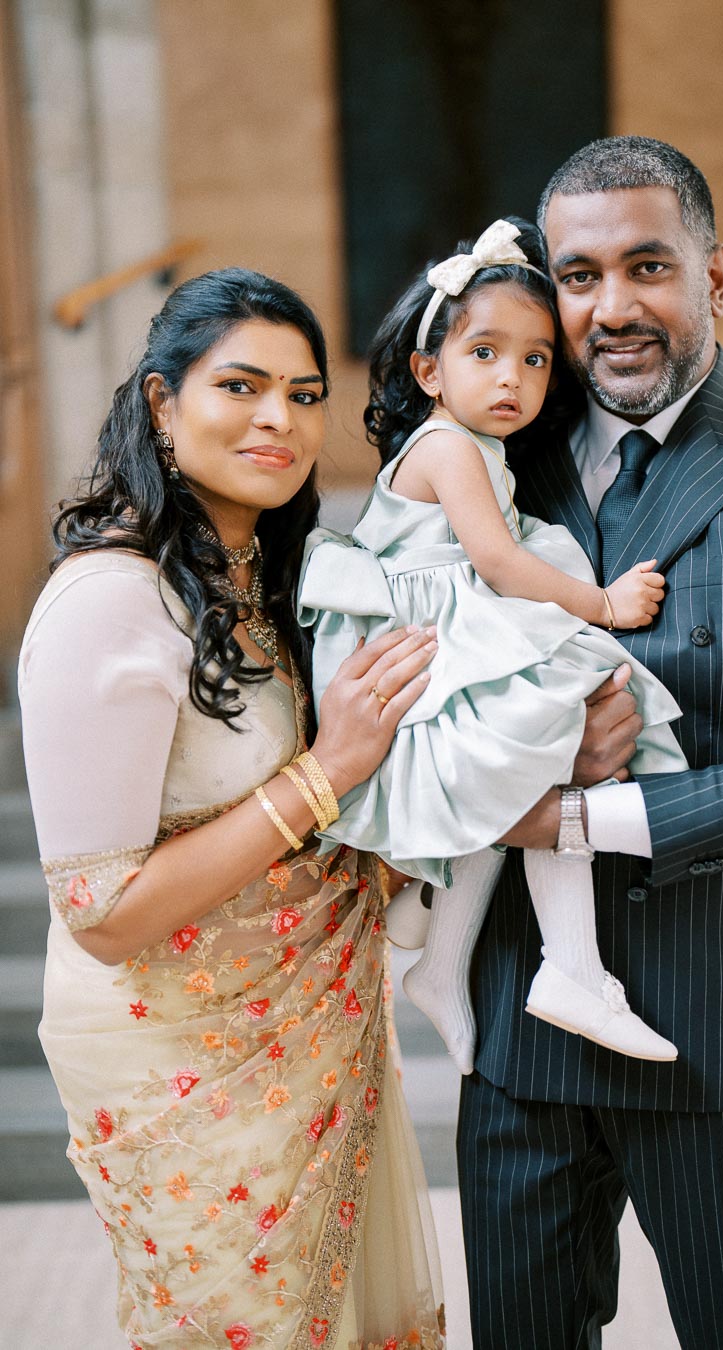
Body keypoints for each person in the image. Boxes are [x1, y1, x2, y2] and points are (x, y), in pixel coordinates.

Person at [455, 137, 723, 1349]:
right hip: (527, 1020)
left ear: (716, 273)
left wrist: (577, 817)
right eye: (579, 275)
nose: (612, 308)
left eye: (647, 266)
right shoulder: (495, 461)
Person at [18, 269, 446, 1350]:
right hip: (180, 1054)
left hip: (312, 1021)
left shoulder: (265, 574)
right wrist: (327, 770)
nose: (280, 420)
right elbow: (102, 912)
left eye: (306, 395)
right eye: (242, 386)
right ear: (162, 403)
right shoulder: (111, 598)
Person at [297, 217, 688, 1076]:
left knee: (508, 779)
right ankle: (572, 966)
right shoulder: (446, 445)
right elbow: (500, 561)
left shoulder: (476, 445)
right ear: (429, 370)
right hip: (431, 643)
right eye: (485, 354)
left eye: (537, 358)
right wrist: (605, 606)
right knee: (547, 741)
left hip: (451, 631)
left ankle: (444, 965)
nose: (513, 376)